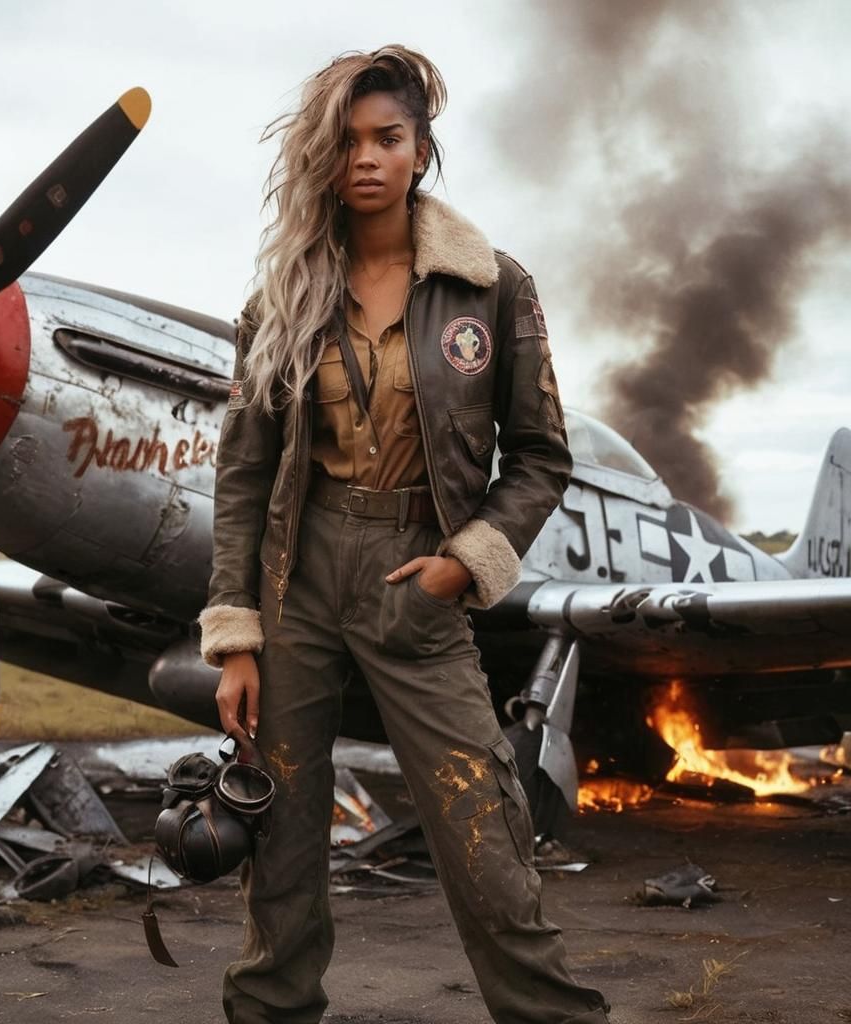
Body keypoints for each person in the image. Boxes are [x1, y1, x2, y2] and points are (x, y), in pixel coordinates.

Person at [198, 44, 611, 1024]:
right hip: (295, 586)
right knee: (281, 834)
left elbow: (542, 457)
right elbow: (243, 476)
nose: (368, 159)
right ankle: (269, 1009)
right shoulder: (281, 299)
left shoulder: (492, 288)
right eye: (347, 143)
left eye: (388, 137)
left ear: (421, 148)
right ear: (325, 159)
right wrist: (236, 634)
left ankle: (551, 1013)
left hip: (416, 576)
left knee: (483, 828)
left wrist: (462, 566)